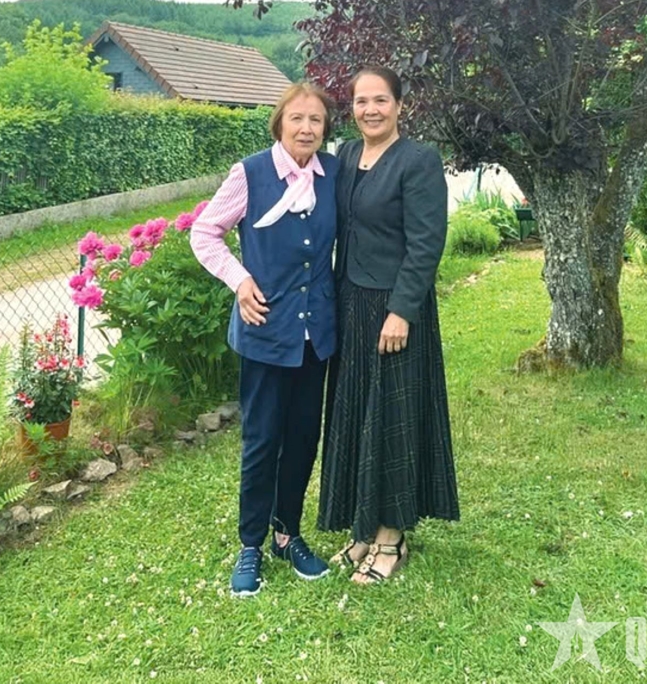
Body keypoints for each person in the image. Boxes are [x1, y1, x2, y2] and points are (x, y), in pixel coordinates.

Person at [191, 82, 339, 597]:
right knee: (262, 441)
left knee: (302, 439)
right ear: (279, 123)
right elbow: (204, 233)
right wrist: (239, 280)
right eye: (297, 118)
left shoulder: (333, 174)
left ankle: (287, 534)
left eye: (316, 120)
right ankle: (251, 543)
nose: (306, 128)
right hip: (265, 332)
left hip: (315, 335)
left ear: (325, 128)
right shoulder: (250, 173)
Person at [318, 66, 459, 584]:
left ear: (400, 105)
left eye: (380, 100)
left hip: (394, 308)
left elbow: (426, 243)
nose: (370, 110)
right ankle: (362, 529)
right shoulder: (345, 156)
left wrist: (402, 310)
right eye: (361, 101)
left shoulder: (419, 160)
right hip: (350, 301)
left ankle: (391, 537)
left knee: (392, 415)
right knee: (357, 412)